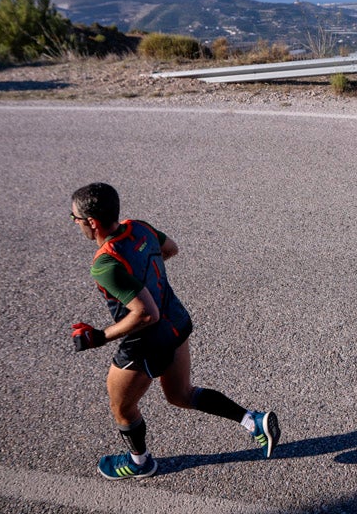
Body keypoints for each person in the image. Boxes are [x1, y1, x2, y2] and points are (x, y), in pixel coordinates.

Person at [69, 181, 279, 479]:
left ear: (91, 222)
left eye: (75, 219)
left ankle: (140, 463)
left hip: (145, 342)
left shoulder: (105, 263)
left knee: (122, 408)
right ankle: (253, 422)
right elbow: (170, 249)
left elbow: (145, 315)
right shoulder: (139, 227)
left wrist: (100, 337)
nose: (76, 224)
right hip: (176, 323)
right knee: (181, 394)